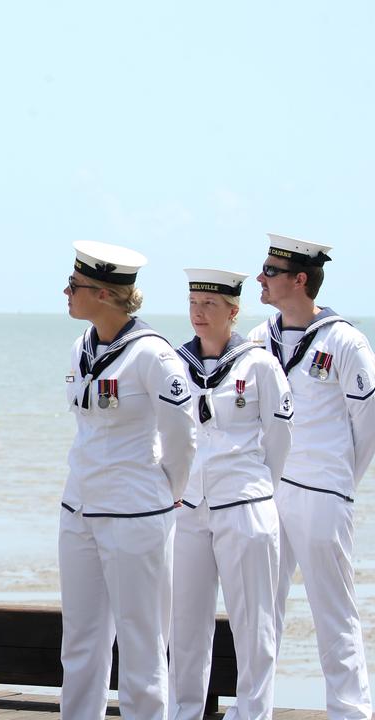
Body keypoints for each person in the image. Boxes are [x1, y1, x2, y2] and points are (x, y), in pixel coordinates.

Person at [58, 241, 196, 720]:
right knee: (79, 642)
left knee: (141, 645)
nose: (66, 292)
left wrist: (168, 491)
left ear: (102, 293)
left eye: (74, 286)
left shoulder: (153, 356)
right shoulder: (82, 346)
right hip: (80, 508)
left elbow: (181, 434)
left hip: (135, 512)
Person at [247, 234, 375, 719]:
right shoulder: (260, 339)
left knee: (333, 610)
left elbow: (368, 423)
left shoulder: (345, 340)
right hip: (267, 492)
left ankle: (351, 712)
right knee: (259, 610)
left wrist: (339, 481)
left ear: (300, 280)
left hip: (322, 493)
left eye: (270, 271)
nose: (260, 278)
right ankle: (254, 708)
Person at [169, 268, 292, 720]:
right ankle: (185, 709)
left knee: (253, 622)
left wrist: (260, 492)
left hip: (244, 504)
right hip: (190, 506)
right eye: (194, 303)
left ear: (233, 311)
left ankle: (253, 712)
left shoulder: (259, 363)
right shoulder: (176, 361)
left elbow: (279, 439)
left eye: (210, 305)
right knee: (184, 621)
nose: (199, 313)